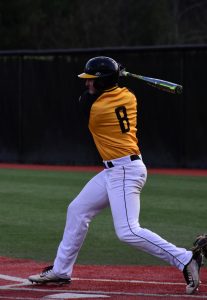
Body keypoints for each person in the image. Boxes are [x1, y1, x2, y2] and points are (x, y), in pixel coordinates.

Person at [28, 56, 206, 295]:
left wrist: (112, 74)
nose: (87, 84)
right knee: (78, 210)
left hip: (124, 171)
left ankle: (185, 259)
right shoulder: (129, 96)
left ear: (103, 83)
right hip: (117, 169)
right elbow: (108, 89)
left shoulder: (96, 108)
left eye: (92, 80)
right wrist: (113, 75)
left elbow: (84, 101)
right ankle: (61, 270)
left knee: (128, 231)